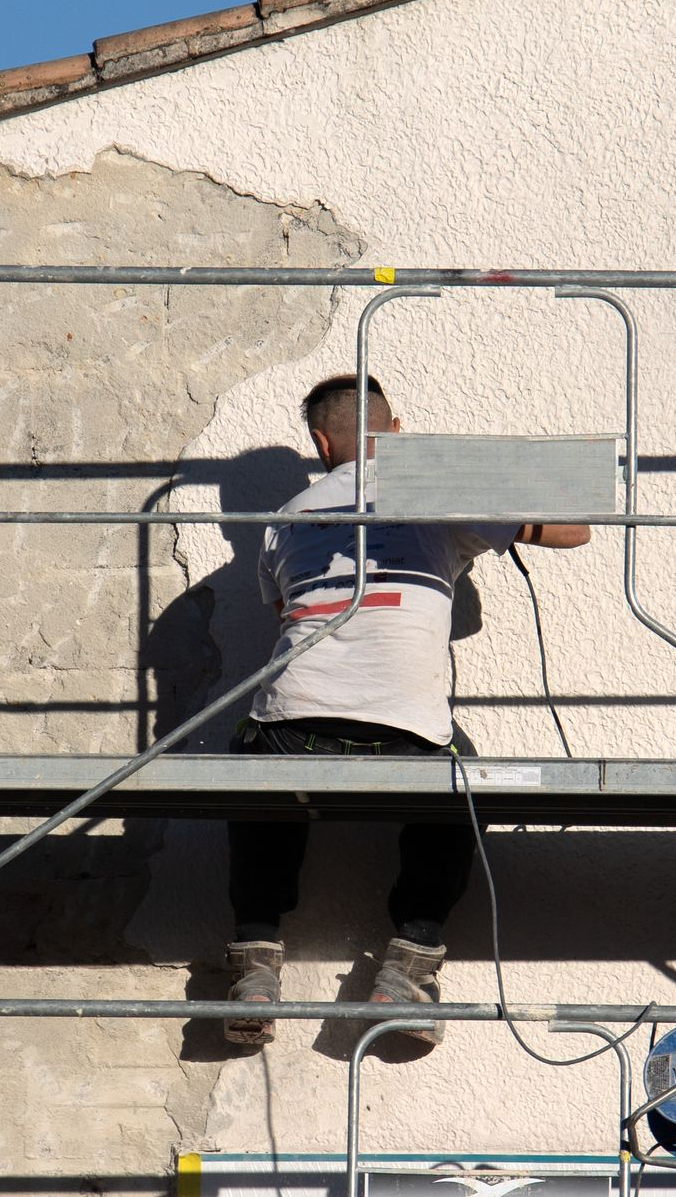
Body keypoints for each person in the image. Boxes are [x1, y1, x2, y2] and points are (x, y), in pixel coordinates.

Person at [224, 373, 589, 1046]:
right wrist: (454, 479)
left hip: (291, 728)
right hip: (404, 734)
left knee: (252, 770)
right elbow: (574, 529)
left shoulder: (283, 519)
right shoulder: (431, 487)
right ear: (395, 433)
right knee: (460, 780)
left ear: (319, 441)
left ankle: (253, 964)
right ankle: (407, 966)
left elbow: (287, 617)